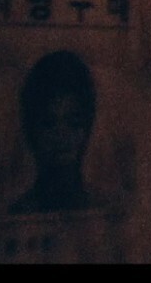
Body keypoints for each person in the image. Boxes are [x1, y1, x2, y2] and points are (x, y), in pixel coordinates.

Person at [10, 49, 98, 215]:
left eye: (74, 123)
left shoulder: (102, 211)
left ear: (87, 128)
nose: (62, 136)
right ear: (31, 131)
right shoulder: (18, 216)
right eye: (48, 124)